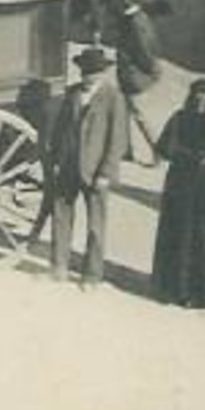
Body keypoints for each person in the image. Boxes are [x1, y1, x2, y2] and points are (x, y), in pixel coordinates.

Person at [47, 46, 132, 287]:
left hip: (96, 171)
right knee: (61, 217)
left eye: (94, 72)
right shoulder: (72, 93)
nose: (89, 76)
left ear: (103, 73)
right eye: (85, 72)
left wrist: (106, 172)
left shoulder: (114, 98)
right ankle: (59, 266)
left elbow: (118, 140)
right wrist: (55, 160)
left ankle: (92, 275)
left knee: (96, 225)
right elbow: (61, 129)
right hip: (68, 167)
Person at [151, 79, 205, 309]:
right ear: (191, 97)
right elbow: (165, 148)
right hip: (183, 189)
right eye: (198, 95)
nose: (202, 100)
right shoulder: (179, 119)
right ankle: (179, 290)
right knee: (182, 236)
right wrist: (191, 157)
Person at [115, 0, 163, 162]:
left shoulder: (134, 21)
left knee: (139, 115)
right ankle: (127, 151)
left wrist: (150, 69)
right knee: (126, 112)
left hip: (133, 74)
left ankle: (157, 150)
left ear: (127, 0)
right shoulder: (139, 18)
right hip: (130, 72)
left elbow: (144, 48)